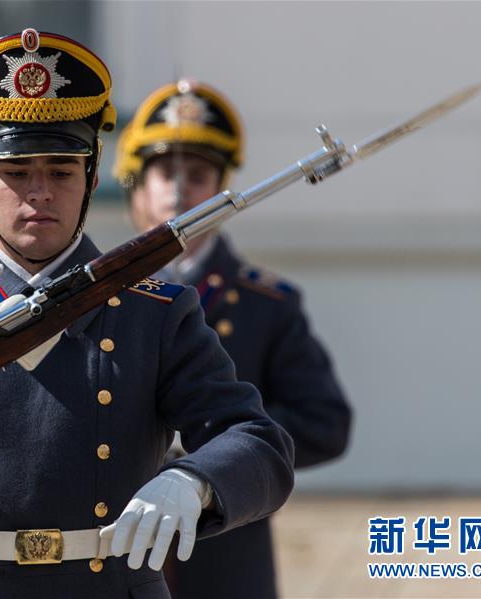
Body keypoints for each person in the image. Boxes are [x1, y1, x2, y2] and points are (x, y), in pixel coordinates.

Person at [0, 29, 295, 599]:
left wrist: (193, 480)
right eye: (17, 170)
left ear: (92, 179)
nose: (40, 193)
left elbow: (259, 443)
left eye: (60, 170)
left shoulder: (156, 314)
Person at [114, 79, 352, 598]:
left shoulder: (269, 304)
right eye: (164, 172)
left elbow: (325, 423)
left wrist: (215, 455)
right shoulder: (102, 297)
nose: (179, 190)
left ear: (223, 187)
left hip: (224, 553)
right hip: (115, 556)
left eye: (198, 175)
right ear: (137, 184)